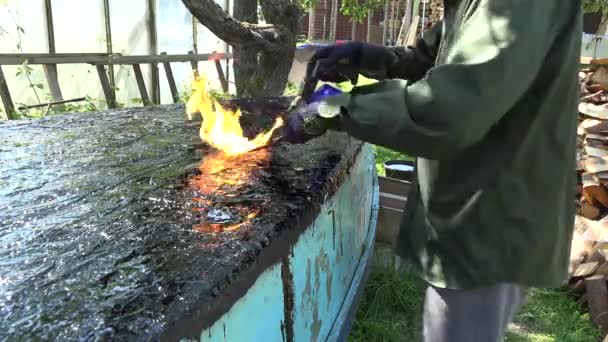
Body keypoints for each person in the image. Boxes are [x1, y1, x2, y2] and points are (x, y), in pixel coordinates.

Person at [282, 0, 582, 341]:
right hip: (479, 210)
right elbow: (435, 58)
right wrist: (368, 56)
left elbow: (451, 110)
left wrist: (335, 108)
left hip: (490, 222)